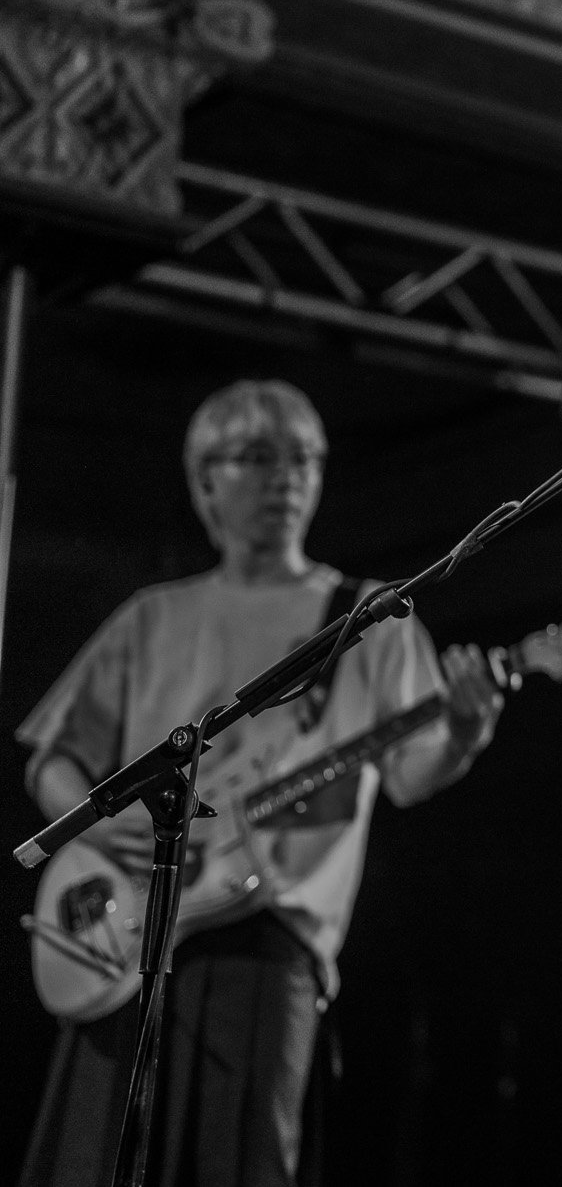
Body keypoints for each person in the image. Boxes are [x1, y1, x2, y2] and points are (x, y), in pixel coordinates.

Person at [16, 380, 504, 1187]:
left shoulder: (370, 616)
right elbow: (52, 757)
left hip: (265, 942)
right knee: (93, 1161)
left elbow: (412, 775)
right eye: (259, 457)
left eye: (305, 459)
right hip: (126, 929)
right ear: (205, 481)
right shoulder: (151, 615)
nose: (288, 478)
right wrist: (106, 828)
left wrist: (463, 732)